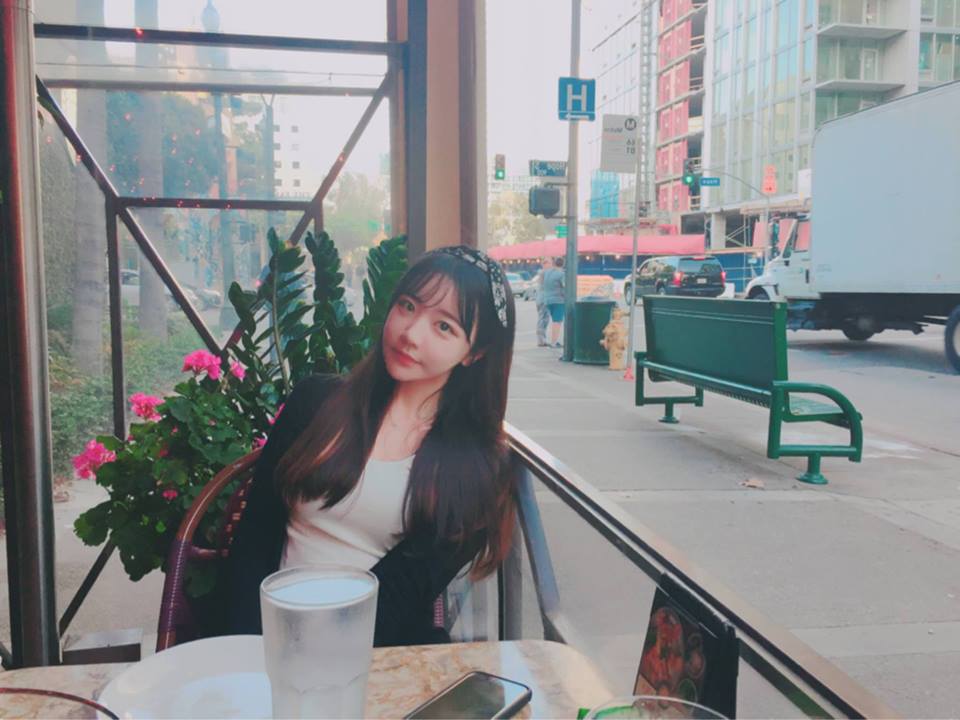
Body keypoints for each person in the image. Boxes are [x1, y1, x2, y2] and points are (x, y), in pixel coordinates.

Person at [225, 246, 518, 647]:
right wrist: (245, 652)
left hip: (375, 652)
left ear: (476, 352)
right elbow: (254, 540)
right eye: (408, 306)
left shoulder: (474, 468)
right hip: (269, 638)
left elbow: (399, 598)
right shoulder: (316, 403)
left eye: (443, 327)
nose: (410, 334)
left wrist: (313, 661)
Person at [542, 256, 566, 348]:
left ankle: (554, 341)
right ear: (563, 264)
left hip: (547, 300)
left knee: (554, 321)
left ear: (554, 263)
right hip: (558, 300)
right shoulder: (561, 274)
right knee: (557, 322)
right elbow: (565, 286)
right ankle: (554, 342)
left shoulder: (547, 273)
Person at [534, 257, 552, 347]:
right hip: (543, 299)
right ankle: (541, 340)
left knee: (545, 319)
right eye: (549, 263)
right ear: (545, 264)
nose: (551, 265)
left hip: (542, 299)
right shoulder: (544, 273)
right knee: (543, 319)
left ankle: (542, 339)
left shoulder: (543, 273)